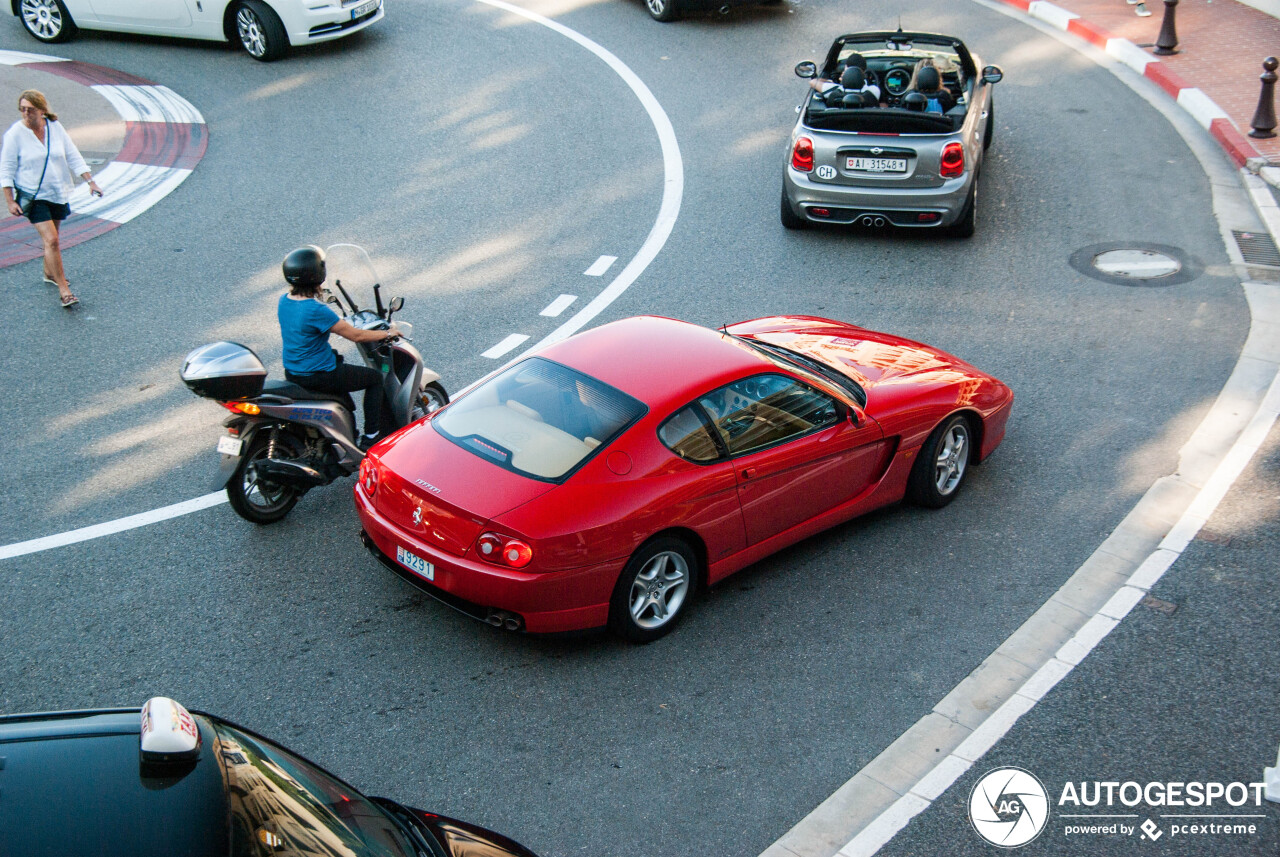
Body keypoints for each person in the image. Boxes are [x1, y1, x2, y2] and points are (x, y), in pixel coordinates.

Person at [278, 245, 398, 450]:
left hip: (293, 372)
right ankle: (372, 436)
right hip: (319, 374)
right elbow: (356, 335)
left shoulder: (284, 301)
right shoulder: (316, 309)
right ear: (319, 274)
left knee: (341, 368)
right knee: (374, 378)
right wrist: (388, 333)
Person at [0, 90, 103, 308]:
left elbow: (72, 154)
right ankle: (64, 290)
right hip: (34, 196)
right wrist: (9, 200)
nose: (26, 113)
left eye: (31, 109)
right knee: (52, 240)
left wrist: (90, 181)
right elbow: (6, 169)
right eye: (22, 109)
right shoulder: (14, 135)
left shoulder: (55, 128)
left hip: (58, 191)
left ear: (42, 110)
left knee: (54, 237)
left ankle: (49, 272)